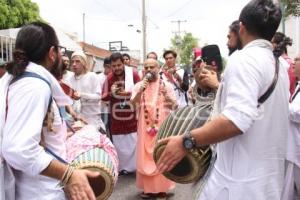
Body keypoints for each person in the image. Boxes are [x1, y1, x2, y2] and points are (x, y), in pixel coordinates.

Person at [157, 1, 288, 199]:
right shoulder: (280, 66)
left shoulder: (244, 59)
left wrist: (185, 141)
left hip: (238, 183)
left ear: (242, 27)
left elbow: (236, 120)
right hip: (267, 183)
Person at [0, 22, 98, 200]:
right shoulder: (34, 86)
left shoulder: (17, 80)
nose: (62, 55)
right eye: (60, 50)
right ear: (52, 53)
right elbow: (18, 149)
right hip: (39, 191)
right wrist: (69, 174)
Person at [131, 58, 177, 199]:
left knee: (161, 153)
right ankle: (148, 189)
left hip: (162, 124)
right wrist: (140, 90)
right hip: (144, 126)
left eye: (152, 67)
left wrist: (166, 95)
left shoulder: (166, 85)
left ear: (158, 69)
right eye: (146, 67)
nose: (149, 70)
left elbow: (174, 105)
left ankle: (162, 188)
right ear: (143, 69)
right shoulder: (139, 85)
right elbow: (133, 104)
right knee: (145, 156)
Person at [102, 52, 140, 175]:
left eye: (119, 65)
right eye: (114, 66)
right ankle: (122, 168)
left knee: (134, 141)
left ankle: (136, 166)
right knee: (119, 144)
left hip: (132, 114)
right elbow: (103, 97)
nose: (117, 68)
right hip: (116, 117)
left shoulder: (133, 74)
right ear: (111, 66)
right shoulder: (109, 78)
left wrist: (126, 94)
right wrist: (112, 93)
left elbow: (141, 91)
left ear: (124, 63)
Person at [65, 51, 104, 130]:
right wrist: (72, 112)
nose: (74, 64)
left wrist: (81, 95)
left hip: (92, 119)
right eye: (72, 62)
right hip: (74, 119)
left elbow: (98, 96)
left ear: (84, 62)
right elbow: (66, 100)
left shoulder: (92, 76)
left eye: (77, 61)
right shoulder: (69, 79)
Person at [281, 54, 300, 200]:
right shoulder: (298, 86)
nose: (293, 62)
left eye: (298, 60)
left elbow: (297, 113)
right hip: (292, 148)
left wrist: (281, 103)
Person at [99, 57, 112, 138]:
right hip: (102, 109)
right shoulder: (98, 78)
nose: (111, 69)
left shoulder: (113, 77)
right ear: (105, 66)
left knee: (110, 130)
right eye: (109, 66)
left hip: (112, 109)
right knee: (104, 128)